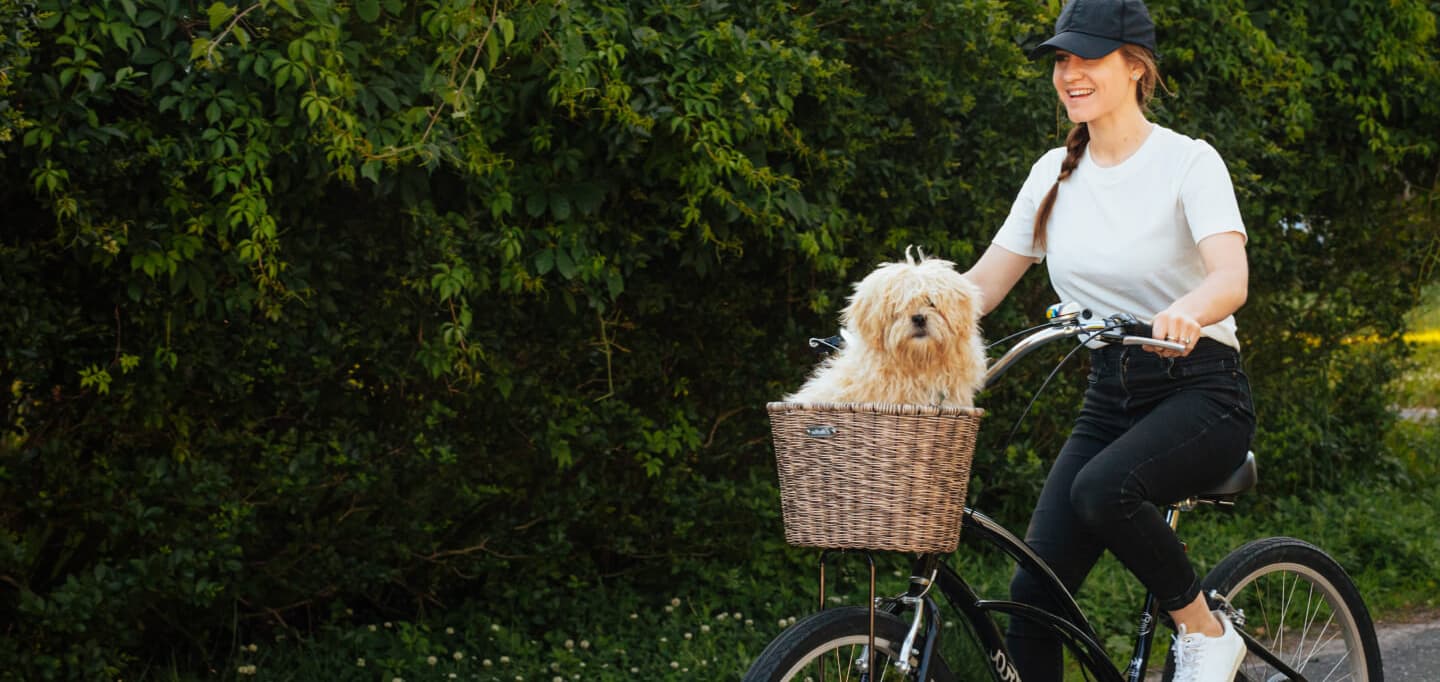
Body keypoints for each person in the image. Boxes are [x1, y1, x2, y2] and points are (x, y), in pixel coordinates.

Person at [962, 0, 1257, 680]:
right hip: (1110, 394)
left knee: (1101, 490)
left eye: (1087, 58)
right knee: (1033, 595)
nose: (1070, 73)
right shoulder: (1053, 173)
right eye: (1062, 60)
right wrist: (890, 323)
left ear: (1135, 67)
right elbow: (980, 288)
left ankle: (1205, 633)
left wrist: (1188, 309)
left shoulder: (1188, 162)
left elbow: (1231, 277)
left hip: (1203, 389)